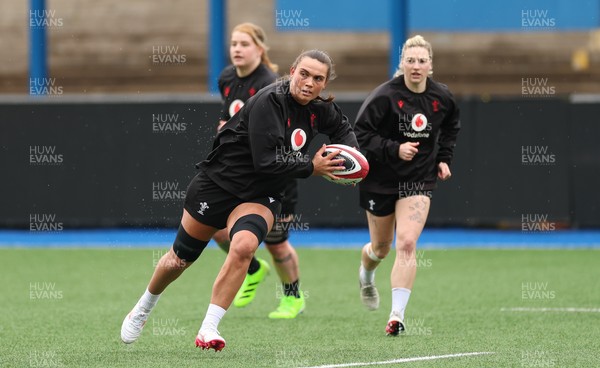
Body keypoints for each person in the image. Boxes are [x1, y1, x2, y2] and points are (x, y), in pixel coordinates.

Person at [121, 49, 358, 351]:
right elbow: (265, 160)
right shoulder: (269, 101)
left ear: (324, 84)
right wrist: (313, 167)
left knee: (245, 246)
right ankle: (143, 306)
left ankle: (209, 328)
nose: (309, 83)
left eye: (318, 78)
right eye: (304, 74)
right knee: (180, 259)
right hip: (219, 184)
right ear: (292, 70)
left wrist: (353, 162)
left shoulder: (319, 108)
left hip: (262, 194)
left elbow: (342, 129)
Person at [353, 35, 460, 336]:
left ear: (430, 65)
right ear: (402, 64)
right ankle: (366, 275)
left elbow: (451, 126)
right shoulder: (384, 96)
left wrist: (444, 158)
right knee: (381, 248)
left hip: (418, 179)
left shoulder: (443, 97)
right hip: (380, 180)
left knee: (408, 243)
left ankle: (396, 315)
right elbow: (360, 135)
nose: (416, 66)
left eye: (422, 61)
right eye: (410, 61)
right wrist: (394, 149)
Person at [213, 22, 305, 318]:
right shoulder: (226, 77)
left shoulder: (271, 84)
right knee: (214, 227)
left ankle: (293, 297)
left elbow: (278, 132)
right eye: (233, 44)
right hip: (238, 173)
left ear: (260, 49)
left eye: (244, 44)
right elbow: (229, 114)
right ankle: (253, 268)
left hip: (274, 175)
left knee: (277, 244)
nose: (237, 49)